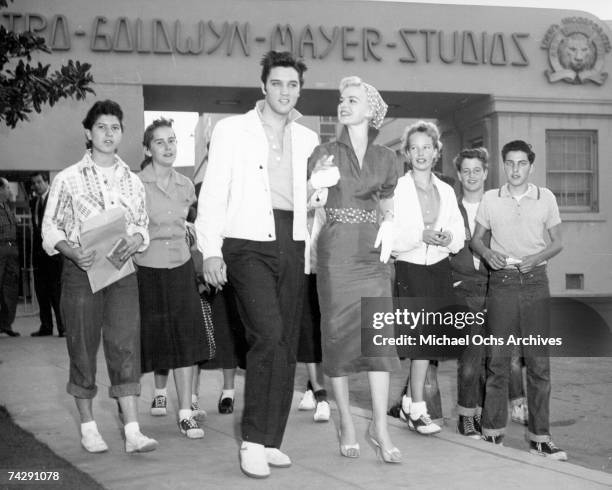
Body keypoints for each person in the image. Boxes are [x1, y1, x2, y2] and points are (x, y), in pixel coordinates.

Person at [195, 51, 319, 479]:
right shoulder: (232, 131)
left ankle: (270, 440)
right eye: (278, 83)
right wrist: (210, 249)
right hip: (246, 242)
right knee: (265, 335)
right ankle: (250, 439)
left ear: (299, 90)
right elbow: (212, 192)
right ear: (263, 85)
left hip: (292, 241)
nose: (285, 91)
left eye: (293, 84)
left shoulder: (307, 139)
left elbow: (313, 202)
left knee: (284, 343)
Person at [42, 100, 158, 454]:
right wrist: (72, 251)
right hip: (81, 272)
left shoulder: (132, 181)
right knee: (82, 346)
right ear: (88, 133)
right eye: (102, 127)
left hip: (122, 273)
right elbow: (50, 227)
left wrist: (137, 239)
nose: (109, 134)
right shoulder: (68, 179)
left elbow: (141, 224)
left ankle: (133, 430)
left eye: (115, 127)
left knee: (125, 345)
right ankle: (89, 426)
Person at [308, 76, 400, 463]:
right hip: (335, 253)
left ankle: (379, 426)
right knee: (338, 338)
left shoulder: (387, 158)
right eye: (342, 99)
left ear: (370, 110)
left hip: (372, 255)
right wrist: (316, 188)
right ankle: (346, 420)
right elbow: (313, 204)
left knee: (378, 340)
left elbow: (389, 204)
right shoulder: (323, 151)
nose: (344, 105)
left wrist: (391, 223)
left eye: (353, 100)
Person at [471, 139, 567, 460]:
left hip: (535, 282)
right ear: (503, 165)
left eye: (521, 163)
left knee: (539, 364)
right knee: (498, 362)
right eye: (510, 163)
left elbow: (557, 242)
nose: (515, 169)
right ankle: (492, 435)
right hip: (502, 284)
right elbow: (475, 240)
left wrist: (537, 256)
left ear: (531, 165)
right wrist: (487, 254)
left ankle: (540, 437)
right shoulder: (490, 199)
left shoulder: (546, 198)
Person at [134, 118, 212, 439]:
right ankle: (134, 416)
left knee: (186, 340)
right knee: (148, 342)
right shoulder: (135, 185)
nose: (168, 147)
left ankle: (185, 413)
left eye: (172, 140)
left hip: (180, 268)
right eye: (160, 142)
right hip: (147, 270)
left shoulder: (186, 186)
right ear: (148, 149)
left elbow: (192, 227)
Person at [392, 120, 465, 435]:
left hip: (438, 269)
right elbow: (390, 237)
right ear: (406, 154)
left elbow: (459, 235)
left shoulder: (447, 190)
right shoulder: (397, 188)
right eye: (414, 148)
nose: (420, 153)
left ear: (437, 152)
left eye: (427, 147)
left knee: (429, 339)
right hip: (410, 267)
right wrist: (419, 235)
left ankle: (411, 402)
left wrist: (447, 237)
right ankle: (417, 408)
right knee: (419, 340)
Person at [449, 147, 490, 438]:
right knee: (470, 355)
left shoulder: (496, 206)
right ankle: (466, 416)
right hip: (463, 288)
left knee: (493, 358)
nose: (472, 176)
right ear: (459, 175)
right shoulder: (451, 207)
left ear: (485, 173)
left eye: (477, 170)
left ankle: (483, 415)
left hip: (495, 287)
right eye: (466, 171)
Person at [296, 207, 330, 423]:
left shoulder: (326, 207)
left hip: (326, 274)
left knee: (324, 334)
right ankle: (321, 396)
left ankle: (311, 386)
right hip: (300, 274)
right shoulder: (293, 205)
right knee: (308, 333)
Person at [30, 172, 64, 337]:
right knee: (41, 292)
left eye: (38, 182)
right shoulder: (34, 202)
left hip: (55, 254)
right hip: (39, 256)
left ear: (46, 182)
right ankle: (46, 326)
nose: (36, 186)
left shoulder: (55, 199)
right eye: (34, 183)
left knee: (56, 291)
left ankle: (62, 327)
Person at [0, 177, 19, 337]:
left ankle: (6, 324)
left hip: (11, 253)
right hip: (1, 251)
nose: (10, 191)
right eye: (7, 188)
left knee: (10, 290)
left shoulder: (6, 206)